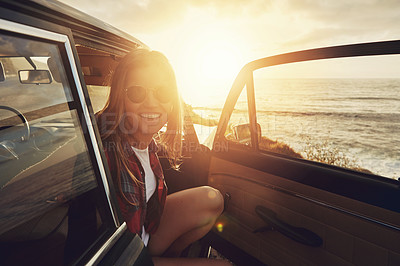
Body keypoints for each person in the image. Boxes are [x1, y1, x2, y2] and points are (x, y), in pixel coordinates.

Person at [96, 48, 230, 265]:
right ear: (121, 96)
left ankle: (166, 256)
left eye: (163, 92)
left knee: (212, 199)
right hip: (125, 258)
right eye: (137, 92)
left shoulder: (149, 147)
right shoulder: (104, 150)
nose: (151, 103)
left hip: (143, 236)